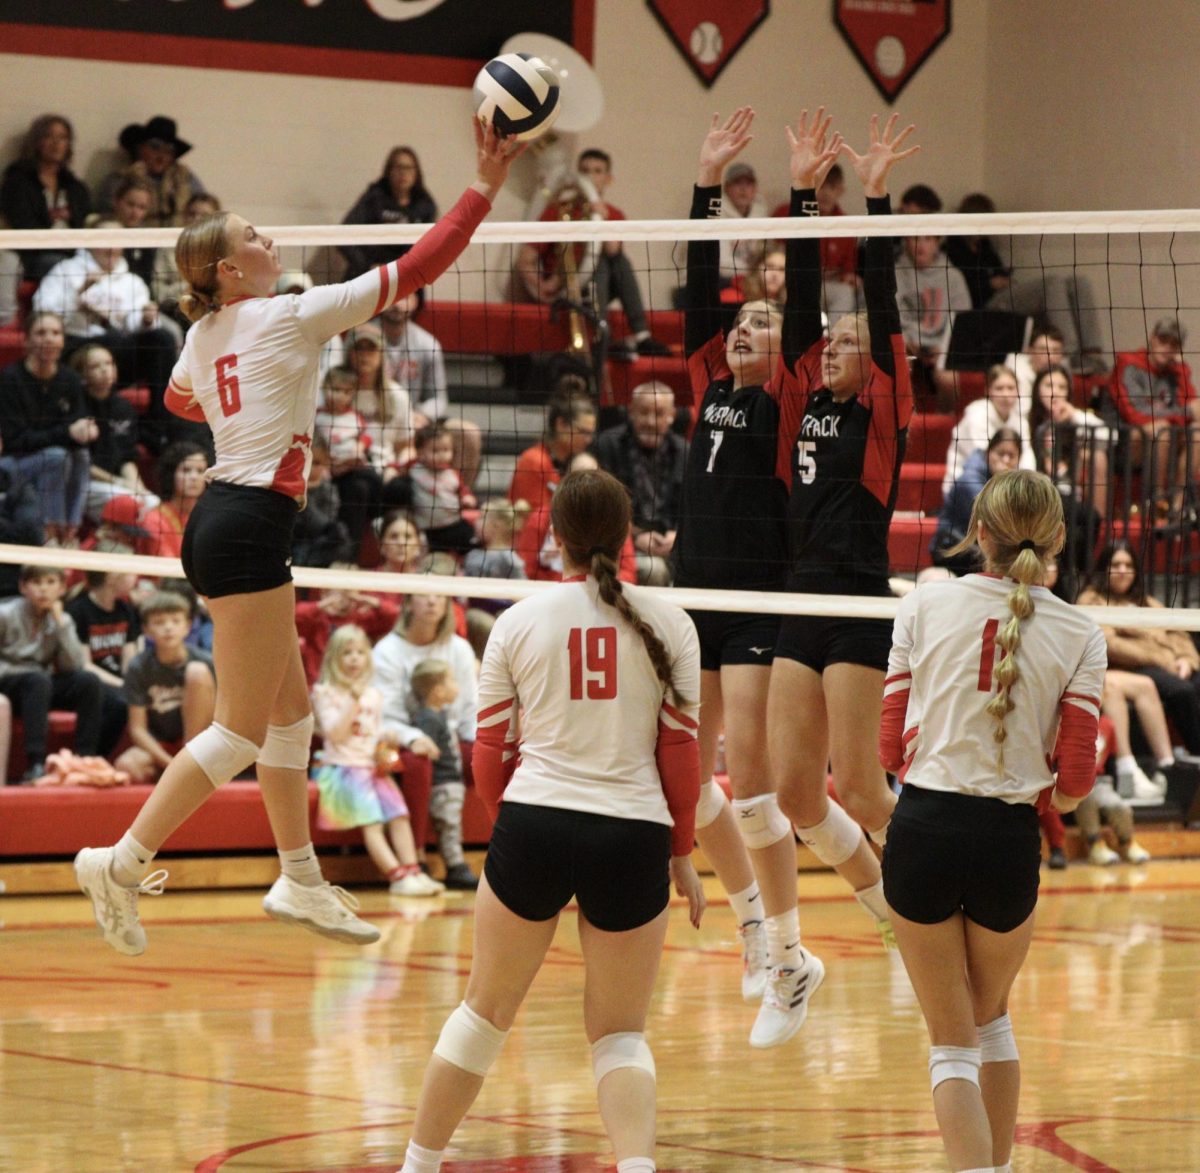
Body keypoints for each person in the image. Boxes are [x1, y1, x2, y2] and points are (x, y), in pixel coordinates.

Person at [73, 119, 522, 957]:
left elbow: (178, 403)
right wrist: (486, 186)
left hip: (228, 519)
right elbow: (418, 268)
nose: (270, 238)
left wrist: (242, 416)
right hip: (246, 525)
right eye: (254, 236)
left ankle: (299, 875)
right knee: (242, 729)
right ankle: (119, 860)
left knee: (290, 715)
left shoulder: (204, 334)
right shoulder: (288, 316)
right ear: (228, 270)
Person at [396, 468, 704, 1173]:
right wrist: (681, 853)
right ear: (626, 537)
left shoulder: (517, 619)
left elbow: (487, 755)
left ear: (553, 538)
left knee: (482, 1013)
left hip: (533, 820)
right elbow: (681, 756)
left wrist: (511, 828)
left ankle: (417, 1165)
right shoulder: (673, 622)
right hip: (631, 832)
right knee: (621, 1033)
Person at [879, 468, 1107, 1173]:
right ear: (1058, 540)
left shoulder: (923, 604)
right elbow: (1073, 782)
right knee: (993, 1018)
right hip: (1008, 840)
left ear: (979, 534)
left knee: (951, 1042)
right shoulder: (1081, 632)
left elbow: (888, 748)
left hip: (921, 829)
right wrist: (1044, 793)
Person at [674, 107, 836, 1042]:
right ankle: (750, 927)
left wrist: (803, 194)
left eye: (762, 325)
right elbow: (700, 295)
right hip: (696, 600)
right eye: (740, 324)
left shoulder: (787, 394)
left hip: (756, 604)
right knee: (688, 782)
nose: (743, 332)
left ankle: (791, 955)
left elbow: (805, 302)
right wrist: (704, 181)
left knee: (759, 786)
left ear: (787, 349)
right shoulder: (708, 384)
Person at [766, 112, 919, 1032]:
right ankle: (886, 905)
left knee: (861, 789)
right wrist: (795, 196)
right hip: (791, 602)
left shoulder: (884, 412)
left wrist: (873, 201)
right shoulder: (798, 400)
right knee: (792, 793)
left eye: (848, 345)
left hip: (859, 601)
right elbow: (796, 305)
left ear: (875, 367)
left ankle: (932, 881)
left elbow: (886, 306)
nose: (832, 347)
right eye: (830, 342)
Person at [310, 625, 443, 896]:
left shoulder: (374, 694)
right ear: (334, 658)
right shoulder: (325, 692)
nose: (354, 658)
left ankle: (413, 870)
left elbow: (371, 730)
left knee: (400, 815)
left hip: (372, 768)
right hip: (344, 768)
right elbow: (334, 733)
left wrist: (388, 736)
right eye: (347, 653)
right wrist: (352, 701)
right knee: (373, 823)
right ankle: (396, 876)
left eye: (360, 652)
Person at [513, 149, 669, 357]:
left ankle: (640, 335)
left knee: (609, 261)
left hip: (598, 279)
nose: (590, 177)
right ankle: (602, 335)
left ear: (608, 179)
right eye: (584, 171)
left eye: (597, 171)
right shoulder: (557, 210)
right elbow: (525, 260)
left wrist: (600, 219)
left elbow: (614, 252)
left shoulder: (614, 214)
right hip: (565, 285)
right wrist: (541, 286)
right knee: (601, 264)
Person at [1076, 541, 1200, 758]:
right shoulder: (1092, 599)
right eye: (1116, 564)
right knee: (1183, 691)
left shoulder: (1146, 600)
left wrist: (1185, 660)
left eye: (1128, 565)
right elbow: (1111, 644)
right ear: (1104, 567)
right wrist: (1162, 660)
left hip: (1171, 665)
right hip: (1131, 667)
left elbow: (1178, 632)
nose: (1123, 571)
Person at [0, 565, 104, 782]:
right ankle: (36, 763)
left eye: (50, 582)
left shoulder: (61, 619)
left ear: (62, 589)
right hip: (9, 682)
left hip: (39, 685)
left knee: (88, 681)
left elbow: (74, 665)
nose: (43, 590)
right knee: (38, 681)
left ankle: (84, 758)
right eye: (36, 583)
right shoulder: (5, 614)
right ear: (23, 587)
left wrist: (62, 625)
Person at [0, 310, 94, 545]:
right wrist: (66, 433)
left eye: (56, 333)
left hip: (55, 461)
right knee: (56, 456)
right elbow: (14, 442)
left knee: (80, 455)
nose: (49, 338)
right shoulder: (10, 379)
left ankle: (71, 530)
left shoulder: (70, 379)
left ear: (63, 340)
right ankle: (50, 530)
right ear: (27, 340)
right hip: (13, 463)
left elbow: (77, 427)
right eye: (41, 332)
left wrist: (86, 431)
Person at [114, 591, 216, 785]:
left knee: (197, 672)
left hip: (198, 745)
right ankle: (176, 778)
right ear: (146, 629)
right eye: (159, 622)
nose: (168, 628)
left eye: (175, 621)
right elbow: (138, 730)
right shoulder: (138, 667)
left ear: (188, 626)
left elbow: (219, 717)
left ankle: (191, 768)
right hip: (161, 745)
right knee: (126, 765)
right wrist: (170, 764)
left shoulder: (205, 662)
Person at [593, 380, 687, 585]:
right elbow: (602, 505)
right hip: (621, 544)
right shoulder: (608, 444)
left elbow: (695, 504)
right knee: (654, 570)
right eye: (644, 412)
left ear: (672, 415)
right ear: (631, 411)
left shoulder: (684, 451)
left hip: (673, 543)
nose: (651, 421)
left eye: (659, 414)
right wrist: (635, 538)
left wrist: (679, 535)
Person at [1108, 316, 1200, 518]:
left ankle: (1178, 505)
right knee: (1162, 430)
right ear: (1152, 338)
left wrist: (1182, 372)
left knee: (1197, 433)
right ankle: (1156, 501)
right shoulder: (1129, 364)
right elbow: (1135, 413)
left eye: (1173, 344)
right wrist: (1183, 413)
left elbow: (1194, 407)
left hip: (1163, 437)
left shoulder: (1176, 372)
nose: (1166, 347)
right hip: (1125, 440)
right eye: (1162, 340)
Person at [67, 343, 158, 522]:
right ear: (82, 374)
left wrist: (137, 486)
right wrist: (118, 483)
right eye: (95, 366)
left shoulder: (122, 407)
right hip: (83, 484)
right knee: (132, 505)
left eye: (109, 363)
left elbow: (127, 457)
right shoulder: (76, 405)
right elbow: (81, 462)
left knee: (152, 502)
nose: (105, 370)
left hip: (115, 483)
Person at [408, 658, 478, 890]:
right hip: (444, 782)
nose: (457, 686)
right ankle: (455, 866)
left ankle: (451, 864)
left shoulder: (438, 715)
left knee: (451, 824)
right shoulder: (428, 718)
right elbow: (430, 751)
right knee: (449, 825)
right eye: (451, 680)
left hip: (450, 781)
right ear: (438, 691)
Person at [0, 113, 92, 282]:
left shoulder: (75, 187)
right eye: (49, 136)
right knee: (60, 266)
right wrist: (51, 218)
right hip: (36, 255)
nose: (56, 143)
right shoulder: (18, 182)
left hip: (74, 253)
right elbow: (22, 226)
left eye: (62, 137)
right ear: (36, 142)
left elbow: (85, 223)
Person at [67, 567, 141, 757]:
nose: (137, 576)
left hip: (118, 683)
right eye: (131, 571)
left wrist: (132, 683)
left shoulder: (126, 610)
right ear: (111, 577)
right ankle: (89, 758)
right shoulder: (78, 610)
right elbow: (84, 665)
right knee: (121, 703)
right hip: (88, 683)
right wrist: (123, 684)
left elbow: (130, 660)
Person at [893, 231, 973, 406]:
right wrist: (907, 341)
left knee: (948, 379)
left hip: (941, 344)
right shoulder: (895, 274)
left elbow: (963, 321)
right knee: (900, 368)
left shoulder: (952, 276)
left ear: (937, 243)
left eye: (927, 239)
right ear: (906, 241)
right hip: (906, 343)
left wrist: (943, 347)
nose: (920, 245)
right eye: (915, 238)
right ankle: (904, 424)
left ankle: (947, 427)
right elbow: (890, 317)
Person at [931, 428, 1022, 574]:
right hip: (952, 548)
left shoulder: (1014, 482)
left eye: (1011, 455)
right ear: (988, 452)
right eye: (1000, 453)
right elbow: (993, 517)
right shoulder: (969, 480)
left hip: (981, 547)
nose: (1005, 460)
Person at [339, 146, 437, 281]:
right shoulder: (374, 199)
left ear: (416, 173)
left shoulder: (425, 206)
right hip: (366, 276)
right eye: (398, 167)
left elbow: (428, 250)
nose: (403, 173)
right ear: (389, 171)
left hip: (405, 279)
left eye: (408, 168)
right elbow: (344, 235)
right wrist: (368, 266)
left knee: (406, 301)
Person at [314, 364, 384, 548]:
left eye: (346, 392)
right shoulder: (317, 417)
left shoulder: (354, 417)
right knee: (368, 479)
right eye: (336, 390)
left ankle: (377, 520)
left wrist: (359, 448)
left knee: (370, 479)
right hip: (328, 470)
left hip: (352, 467)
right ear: (324, 388)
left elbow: (366, 437)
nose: (340, 396)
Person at [942, 364, 1036, 497]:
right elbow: (984, 460)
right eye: (999, 388)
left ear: (1018, 391)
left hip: (1005, 485)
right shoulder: (976, 415)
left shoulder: (1021, 421)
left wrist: (1029, 484)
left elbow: (1026, 457)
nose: (1005, 394)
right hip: (967, 485)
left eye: (1010, 388)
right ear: (988, 391)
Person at [98, 116, 206, 228]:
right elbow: (107, 219)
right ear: (139, 148)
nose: (162, 156)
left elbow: (204, 212)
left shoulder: (185, 179)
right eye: (155, 147)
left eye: (168, 151)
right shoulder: (119, 180)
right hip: (134, 242)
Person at [508, 387, 597, 510]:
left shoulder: (576, 462)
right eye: (583, 432)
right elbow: (532, 522)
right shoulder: (534, 461)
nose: (589, 440)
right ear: (561, 424)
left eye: (591, 433)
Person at [406, 422, 478, 555]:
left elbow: (462, 489)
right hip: (426, 528)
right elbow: (396, 467)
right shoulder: (413, 468)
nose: (442, 455)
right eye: (435, 451)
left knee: (470, 536)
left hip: (452, 522)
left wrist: (467, 497)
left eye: (446, 450)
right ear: (420, 452)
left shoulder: (452, 473)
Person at [139, 441, 207, 559]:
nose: (194, 477)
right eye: (186, 470)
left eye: (200, 471)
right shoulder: (155, 518)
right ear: (171, 475)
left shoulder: (209, 518)